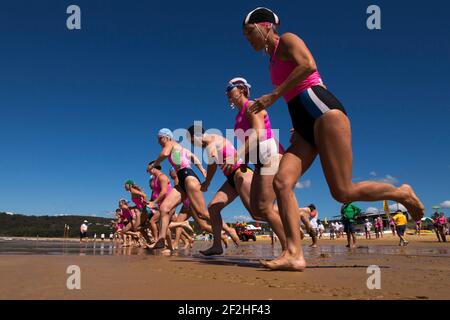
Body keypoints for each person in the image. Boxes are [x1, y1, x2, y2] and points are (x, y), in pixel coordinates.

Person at [242, 6, 424, 270]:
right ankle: (294, 253)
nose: (248, 39)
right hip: (304, 124)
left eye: (250, 32)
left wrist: (273, 96)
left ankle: (401, 193)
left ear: (265, 26)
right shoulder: (270, 60)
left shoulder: (288, 40)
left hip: (324, 113)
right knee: (282, 183)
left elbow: (309, 66)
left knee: (343, 191)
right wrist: (301, 123)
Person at [147, 128, 237, 250]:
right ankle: (161, 240)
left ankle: (228, 229)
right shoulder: (181, 148)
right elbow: (194, 157)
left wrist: (155, 164)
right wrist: (202, 170)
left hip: (189, 178)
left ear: (166, 137)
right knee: (164, 208)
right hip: (182, 180)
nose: (159, 142)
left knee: (202, 213)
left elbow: (165, 153)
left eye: (159, 139)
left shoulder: (170, 143)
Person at [225, 77, 287, 254]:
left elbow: (258, 133)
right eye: (226, 90)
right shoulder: (238, 117)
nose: (227, 93)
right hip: (257, 160)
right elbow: (247, 139)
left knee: (265, 207)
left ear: (242, 90)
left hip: (270, 154)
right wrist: (244, 161)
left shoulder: (251, 105)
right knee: (256, 210)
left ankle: (288, 248)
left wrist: (237, 156)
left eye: (231, 89)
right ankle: (293, 226)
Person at [186, 124, 252, 255]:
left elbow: (212, 162)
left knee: (258, 211)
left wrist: (207, 182)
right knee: (213, 208)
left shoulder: (211, 140)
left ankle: (297, 218)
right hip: (231, 178)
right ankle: (217, 245)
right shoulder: (212, 141)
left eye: (193, 142)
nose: (195, 146)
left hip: (241, 174)